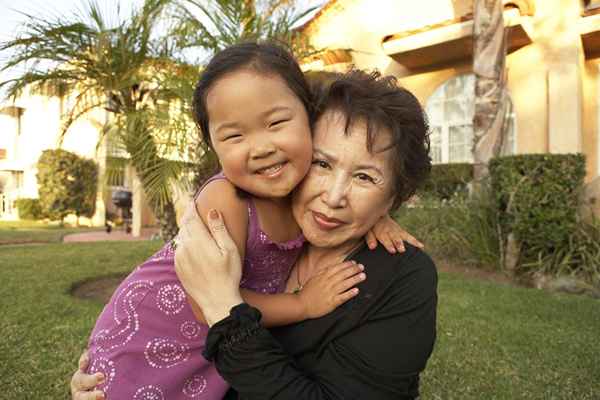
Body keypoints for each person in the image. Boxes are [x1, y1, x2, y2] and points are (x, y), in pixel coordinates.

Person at [73, 43, 420, 400]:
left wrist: (380, 215)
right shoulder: (226, 200)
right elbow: (210, 300)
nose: (261, 148)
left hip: (204, 349)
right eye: (234, 136)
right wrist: (302, 305)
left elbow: (345, 196)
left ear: (307, 116)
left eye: (276, 123)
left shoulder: (296, 189)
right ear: (213, 146)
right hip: (152, 336)